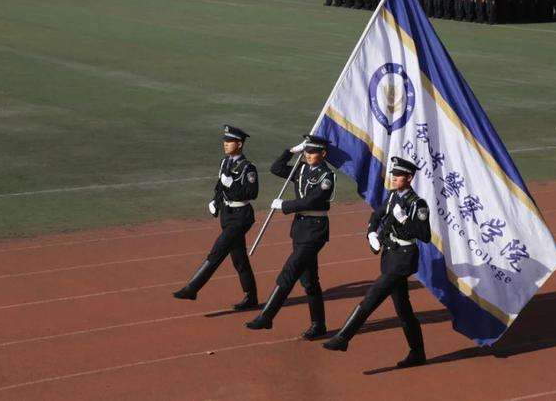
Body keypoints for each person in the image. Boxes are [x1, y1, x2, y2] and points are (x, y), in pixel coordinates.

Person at [322, 157, 431, 368]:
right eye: (393, 174)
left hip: (403, 258)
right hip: (390, 255)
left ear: (409, 178)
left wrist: (405, 220)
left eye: (398, 175)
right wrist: (372, 233)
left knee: (373, 296)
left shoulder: (417, 204)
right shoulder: (392, 196)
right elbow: (377, 215)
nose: (394, 177)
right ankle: (417, 353)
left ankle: (343, 338)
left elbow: (424, 235)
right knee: (403, 309)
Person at [245, 135, 336, 340]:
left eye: (312, 151)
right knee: (310, 281)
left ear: (323, 153)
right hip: (300, 229)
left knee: (290, 271)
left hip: (315, 230)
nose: (308, 154)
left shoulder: (326, 176)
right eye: (307, 151)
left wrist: (285, 205)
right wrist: (291, 151)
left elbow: (313, 201)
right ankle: (318, 325)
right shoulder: (301, 168)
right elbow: (276, 168)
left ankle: (267, 316)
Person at [172, 125, 259, 311]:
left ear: (240, 144)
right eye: (225, 141)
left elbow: (252, 193)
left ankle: (192, 288)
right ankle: (251, 297)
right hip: (227, 215)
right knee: (239, 258)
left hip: (241, 216)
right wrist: (215, 202)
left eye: (229, 141)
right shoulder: (224, 163)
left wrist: (232, 186)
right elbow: (220, 186)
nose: (225, 144)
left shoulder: (247, 168)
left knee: (218, 251)